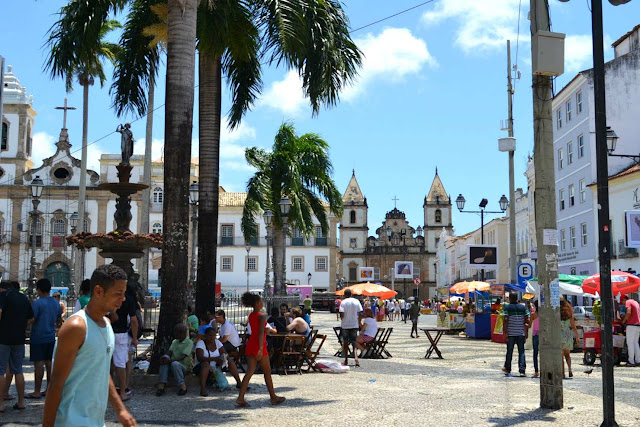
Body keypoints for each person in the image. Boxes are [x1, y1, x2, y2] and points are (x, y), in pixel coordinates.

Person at [42, 264, 136, 427]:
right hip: (70, 421)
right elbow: (55, 383)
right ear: (99, 291)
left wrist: (120, 410)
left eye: (124, 293)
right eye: (118, 294)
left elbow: (102, 370)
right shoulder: (77, 327)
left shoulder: (107, 325)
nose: (123, 298)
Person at [237, 292, 285, 407]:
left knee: (249, 372)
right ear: (258, 303)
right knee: (267, 372)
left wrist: (265, 331)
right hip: (259, 345)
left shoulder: (251, 315)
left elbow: (258, 330)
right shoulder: (262, 316)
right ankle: (273, 396)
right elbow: (260, 332)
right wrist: (261, 348)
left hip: (251, 343)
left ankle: (240, 397)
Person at [0, 281, 34, 412]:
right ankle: (21, 402)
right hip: (19, 337)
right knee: (18, 370)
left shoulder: (3, 296)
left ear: (3, 288)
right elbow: (31, 318)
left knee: (1, 370)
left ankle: (1, 404)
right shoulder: (23, 297)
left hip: (3, 337)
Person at [26, 278, 62, 399]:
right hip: (50, 336)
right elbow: (58, 319)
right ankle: (49, 389)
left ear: (39, 290)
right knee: (48, 363)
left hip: (38, 336)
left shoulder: (37, 303)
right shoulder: (55, 303)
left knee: (38, 364)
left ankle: (36, 390)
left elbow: (32, 319)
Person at [110, 280, 139, 402]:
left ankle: (108, 391)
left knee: (110, 363)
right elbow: (133, 320)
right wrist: (135, 337)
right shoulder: (128, 299)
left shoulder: (111, 295)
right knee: (121, 363)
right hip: (121, 333)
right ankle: (122, 392)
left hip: (108, 330)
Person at [156, 323, 192, 396]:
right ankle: (161, 386)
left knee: (174, 363)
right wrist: (165, 357)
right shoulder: (175, 341)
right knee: (165, 360)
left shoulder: (189, 342)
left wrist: (170, 361)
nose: (175, 334)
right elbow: (170, 351)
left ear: (183, 333)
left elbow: (183, 356)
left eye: (177, 332)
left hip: (183, 366)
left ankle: (182, 386)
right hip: (173, 364)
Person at [502, 293, 530, 377]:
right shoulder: (523, 307)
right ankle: (522, 370)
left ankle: (508, 368)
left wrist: (505, 332)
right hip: (521, 333)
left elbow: (505, 320)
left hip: (511, 333)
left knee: (509, 351)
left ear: (510, 298)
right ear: (517, 298)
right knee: (521, 351)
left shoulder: (507, 307)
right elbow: (526, 320)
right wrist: (526, 332)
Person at [214, 309, 243, 388]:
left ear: (221, 317)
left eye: (216, 317)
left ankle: (221, 366)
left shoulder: (227, 325)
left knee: (217, 350)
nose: (215, 319)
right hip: (228, 343)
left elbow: (223, 340)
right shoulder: (223, 325)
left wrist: (215, 342)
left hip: (232, 344)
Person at [339, 289, 363, 367]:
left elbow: (341, 313)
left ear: (345, 295)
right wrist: (359, 322)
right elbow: (360, 312)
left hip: (345, 325)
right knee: (354, 341)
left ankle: (346, 359)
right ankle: (356, 358)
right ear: (351, 294)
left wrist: (342, 318)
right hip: (354, 324)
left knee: (345, 342)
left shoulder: (343, 302)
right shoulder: (356, 301)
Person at [560, 298, 580, 378]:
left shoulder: (557, 314)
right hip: (568, 334)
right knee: (567, 355)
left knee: (561, 355)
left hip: (560, 335)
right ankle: (570, 369)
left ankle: (563, 373)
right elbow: (573, 326)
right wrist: (577, 337)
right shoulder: (569, 314)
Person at [621, 294, 640, 366]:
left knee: (630, 343)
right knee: (636, 343)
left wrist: (624, 320)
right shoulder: (636, 302)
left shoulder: (628, 302)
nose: (622, 303)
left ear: (624, 299)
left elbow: (628, 312)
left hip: (631, 325)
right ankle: (638, 360)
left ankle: (631, 361)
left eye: (622, 301)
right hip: (638, 325)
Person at [529, 301, 540, 378]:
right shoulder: (545, 315)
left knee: (535, 353)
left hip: (535, 334)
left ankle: (536, 371)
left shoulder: (533, 315)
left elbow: (529, 325)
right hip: (543, 334)